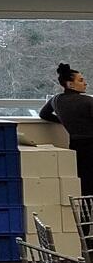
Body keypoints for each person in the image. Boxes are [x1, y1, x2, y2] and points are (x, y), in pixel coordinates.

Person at [40, 63, 93, 195]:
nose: (85, 83)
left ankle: (85, 208)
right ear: (70, 84)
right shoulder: (87, 101)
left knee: (84, 182)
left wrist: (63, 121)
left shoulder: (56, 100)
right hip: (91, 144)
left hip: (75, 145)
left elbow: (43, 114)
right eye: (81, 80)